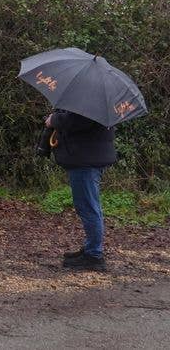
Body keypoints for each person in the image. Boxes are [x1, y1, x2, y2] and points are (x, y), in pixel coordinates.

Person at [46, 109, 116, 272]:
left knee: (88, 207)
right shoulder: (99, 102)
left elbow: (79, 121)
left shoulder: (90, 102)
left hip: (86, 159)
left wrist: (54, 119)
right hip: (90, 157)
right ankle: (91, 249)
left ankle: (93, 256)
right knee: (89, 206)